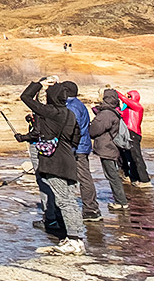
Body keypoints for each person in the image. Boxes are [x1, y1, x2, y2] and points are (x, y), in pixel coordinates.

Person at [21, 77, 86, 254]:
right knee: (69, 200)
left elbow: (25, 97)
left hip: (55, 163)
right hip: (68, 161)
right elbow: (76, 137)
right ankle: (75, 238)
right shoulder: (70, 114)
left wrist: (39, 84)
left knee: (65, 201)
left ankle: (74, 239)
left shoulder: (50, 112)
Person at [16, 112, 66, 239]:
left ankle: (50, 218)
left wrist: (23, 137)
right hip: (55, 147)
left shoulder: (42, 111)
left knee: (43, 180)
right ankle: (58, 214)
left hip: (40, 147)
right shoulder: (58, 111)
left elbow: (37, 132)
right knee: (53, 179)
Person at [63, 81, 100, 221]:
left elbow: (72, 129)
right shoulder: (77, 104)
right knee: (83, 177)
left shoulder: (72, 107)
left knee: (83, 177)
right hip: (81, 146)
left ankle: (91, 209)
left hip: (77, 148)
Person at [88, 89, 129, 210]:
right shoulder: (112, 111)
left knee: (112, 176)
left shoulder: (106, 114)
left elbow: (94, 130)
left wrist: (91, 126)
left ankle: (121, 202)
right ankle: (121, 201)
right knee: (113, 175)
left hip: (107, 148)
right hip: (110, 147)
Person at [114, 89, 152, 185]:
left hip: (133, 134)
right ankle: (134, 178)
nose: (126, 98)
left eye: (128, 96)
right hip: (127, 133)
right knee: (129, 157)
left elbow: (125, 100)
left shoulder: (137, 106)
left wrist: (116, 92)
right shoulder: (126, 109)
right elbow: (119, 112)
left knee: (136, 157)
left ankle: (144, 180)